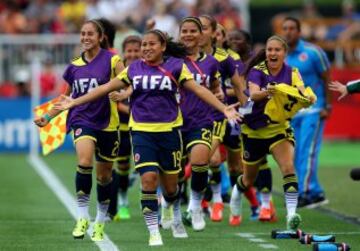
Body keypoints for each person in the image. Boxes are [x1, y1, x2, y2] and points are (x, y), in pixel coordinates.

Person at [54, 29, 241, 246]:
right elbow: (105, 87)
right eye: (144, 44)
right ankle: (154, 231)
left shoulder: (175, 67)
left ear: (162, 47)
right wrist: (74, 102)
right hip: (142, 133)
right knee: (148, 179)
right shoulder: (133, 69)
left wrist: (224, 109)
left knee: (171, 189)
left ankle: (172, 208)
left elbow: (199, 90)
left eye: (151, 44)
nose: (146, 48)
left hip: (170, 132)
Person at [34, 19, 124, 241]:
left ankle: (100, 220)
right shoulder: (74, 66)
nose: (85, 37)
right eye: (82, 34)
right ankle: (82, 216)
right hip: (82, 120)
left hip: (108, 124)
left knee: (104, 177)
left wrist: (123, 95)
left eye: (90, 34)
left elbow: (128, 83)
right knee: (84, 161)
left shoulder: (113, 60)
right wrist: (48, 116)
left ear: (100, 37)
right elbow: (66, 98)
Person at [229, 35, 316, 230]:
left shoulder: (293, 72)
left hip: (279, 129)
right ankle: (236, 195)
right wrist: (270, 90)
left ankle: (292, 215)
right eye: (270, 50)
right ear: (266, 52)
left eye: (277, 50)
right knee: (248, 178)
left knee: (288, 168)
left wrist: (307, 97)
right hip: (253, 131)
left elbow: (301, 91)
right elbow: (254, 93)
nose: (273, 53)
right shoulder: (256, 72)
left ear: (285, 53)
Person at [162, 16, 223, 233]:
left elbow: (215, 85)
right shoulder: (168, 60)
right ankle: (170, 205)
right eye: (184, 31)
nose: (188, 34)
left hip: (201, 120)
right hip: (172, 122)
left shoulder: (211, 62)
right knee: (173, 173)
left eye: (192, 31)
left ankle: (195, 206)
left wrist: (219, 95)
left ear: (201, 34)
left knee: (200, 163)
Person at [198, 14, 249, 223]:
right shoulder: (188, 57)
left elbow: (239, 86)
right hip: (204, 116)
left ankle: (235, 201)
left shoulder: (227, 58)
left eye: (204, 29)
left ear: (216, 35)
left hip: (229, 115)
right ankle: (216, 200)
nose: (199, 33)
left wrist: (246, 110)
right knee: (212, 159)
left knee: (236, 167)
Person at [228, 29, 277, 224]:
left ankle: (266, 205)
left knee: (260, 160)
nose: (233, 42)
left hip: (256, 116)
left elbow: (254, 89)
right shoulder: (227, 62)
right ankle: (246, 205)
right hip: (235, 117)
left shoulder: (257, 62)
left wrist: (238, 91)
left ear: (247, 42)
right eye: (230, 39)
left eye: (237, 38)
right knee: (236, 165)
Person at [282, 16, 332, 208]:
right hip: (292, 113)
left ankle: (304, 191)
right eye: (285, 28)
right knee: (293, 153)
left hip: (314, 110)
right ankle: (316, 192)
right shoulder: (281, 54)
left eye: (292, 28)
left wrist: (327, 106)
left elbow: (327, 77)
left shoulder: (313, 52)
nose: (288, 32)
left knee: (308, 151)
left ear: (299, 31)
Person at [107, 35, 142, 221]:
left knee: (147, 164)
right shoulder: (118, 73)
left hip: (143, 126)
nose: (133, 54)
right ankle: (122, 200)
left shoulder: (148, 70)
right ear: (124, 53)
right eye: (129, 50)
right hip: (121, 127)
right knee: (122, 165)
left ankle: (155, 204)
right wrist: (129, 109)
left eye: (137, 50)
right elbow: (114, 98)